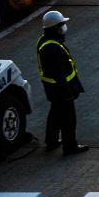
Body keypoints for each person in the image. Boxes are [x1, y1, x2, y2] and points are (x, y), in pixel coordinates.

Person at [37, 10, 88, 156]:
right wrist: (67, 93)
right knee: (68, 119)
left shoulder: (44, 41)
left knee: (55, 114)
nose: (64, 30)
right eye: (62, 26)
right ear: (55, 29)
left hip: (52, 88)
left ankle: (51, 141)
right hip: (61, 89)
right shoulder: (53, 48)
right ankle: (70, 146)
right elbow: (59, 74)